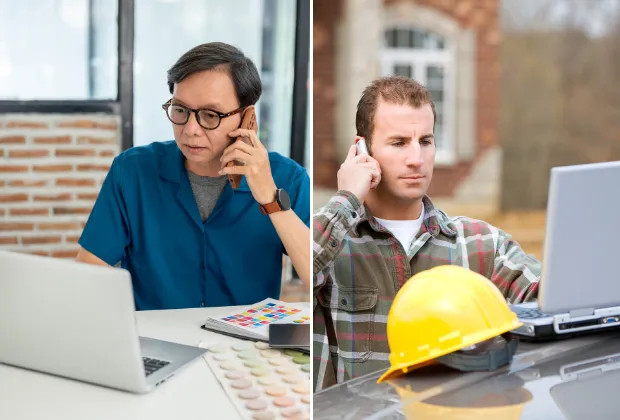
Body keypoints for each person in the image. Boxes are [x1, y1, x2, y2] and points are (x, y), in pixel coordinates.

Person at [312, 76, 541, 392]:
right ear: (362, 150)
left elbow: (554, 301)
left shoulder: (483, 245)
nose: (416, 159)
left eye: (426, 141)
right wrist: (348, 197)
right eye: (399, 142)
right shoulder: (332, 243)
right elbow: (301, 266)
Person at [76, 42, 310, 311]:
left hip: (246, 348)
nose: (190, 130)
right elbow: (87, 276)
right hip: (154, 342)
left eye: (210, 115)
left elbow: (315, 279)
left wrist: (270, 197)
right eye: (180, 110)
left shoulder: (288, 178)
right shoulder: (132, 172)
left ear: (247, 117)